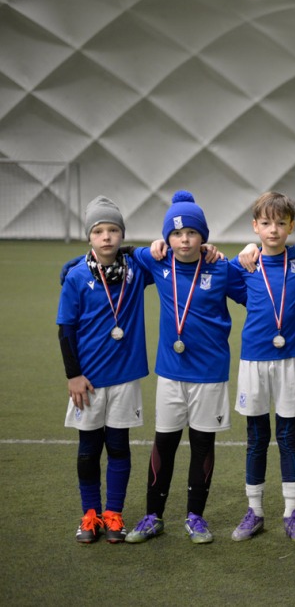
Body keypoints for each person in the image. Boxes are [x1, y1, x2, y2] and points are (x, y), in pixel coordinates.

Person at [125, 192, 246, 544]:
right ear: (167, 238)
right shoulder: (157, 260)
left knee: (202, 444)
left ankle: (196, 517)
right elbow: (117, 251)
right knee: (164, 442)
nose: (184, 240)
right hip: (171, 372)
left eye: (192, 233)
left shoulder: (221, 268)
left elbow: (253, 293)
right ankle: (153, 516)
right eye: (176, 234)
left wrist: (250, 252)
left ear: (203, 237)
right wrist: (74, 265)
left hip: (209, 373)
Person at [58, 196, 153, 544]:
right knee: (88, 450)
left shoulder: (135, 272)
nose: (106, 237)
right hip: (88, 381)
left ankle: (113, 513)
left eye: (113, 230)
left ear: (122, 235)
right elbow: (65, 330)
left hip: (125, 379)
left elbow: (163, 257)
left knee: (118, 447)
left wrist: (136, 250)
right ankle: (90, 514)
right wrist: (73, 375)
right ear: (89, 237)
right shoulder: (76, 276)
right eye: (98, 231)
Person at [230, 192, 295, 543]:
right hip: (254, 359)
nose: (273, 230)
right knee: (256, 438)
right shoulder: (244, 264)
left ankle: (292, 513)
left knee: (288, 436)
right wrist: (243, 250)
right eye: (266, 223)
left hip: (291, 359)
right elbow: (212, 268)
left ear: (291, 226)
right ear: (255, 226)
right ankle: (255, 511)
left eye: (281, 223)